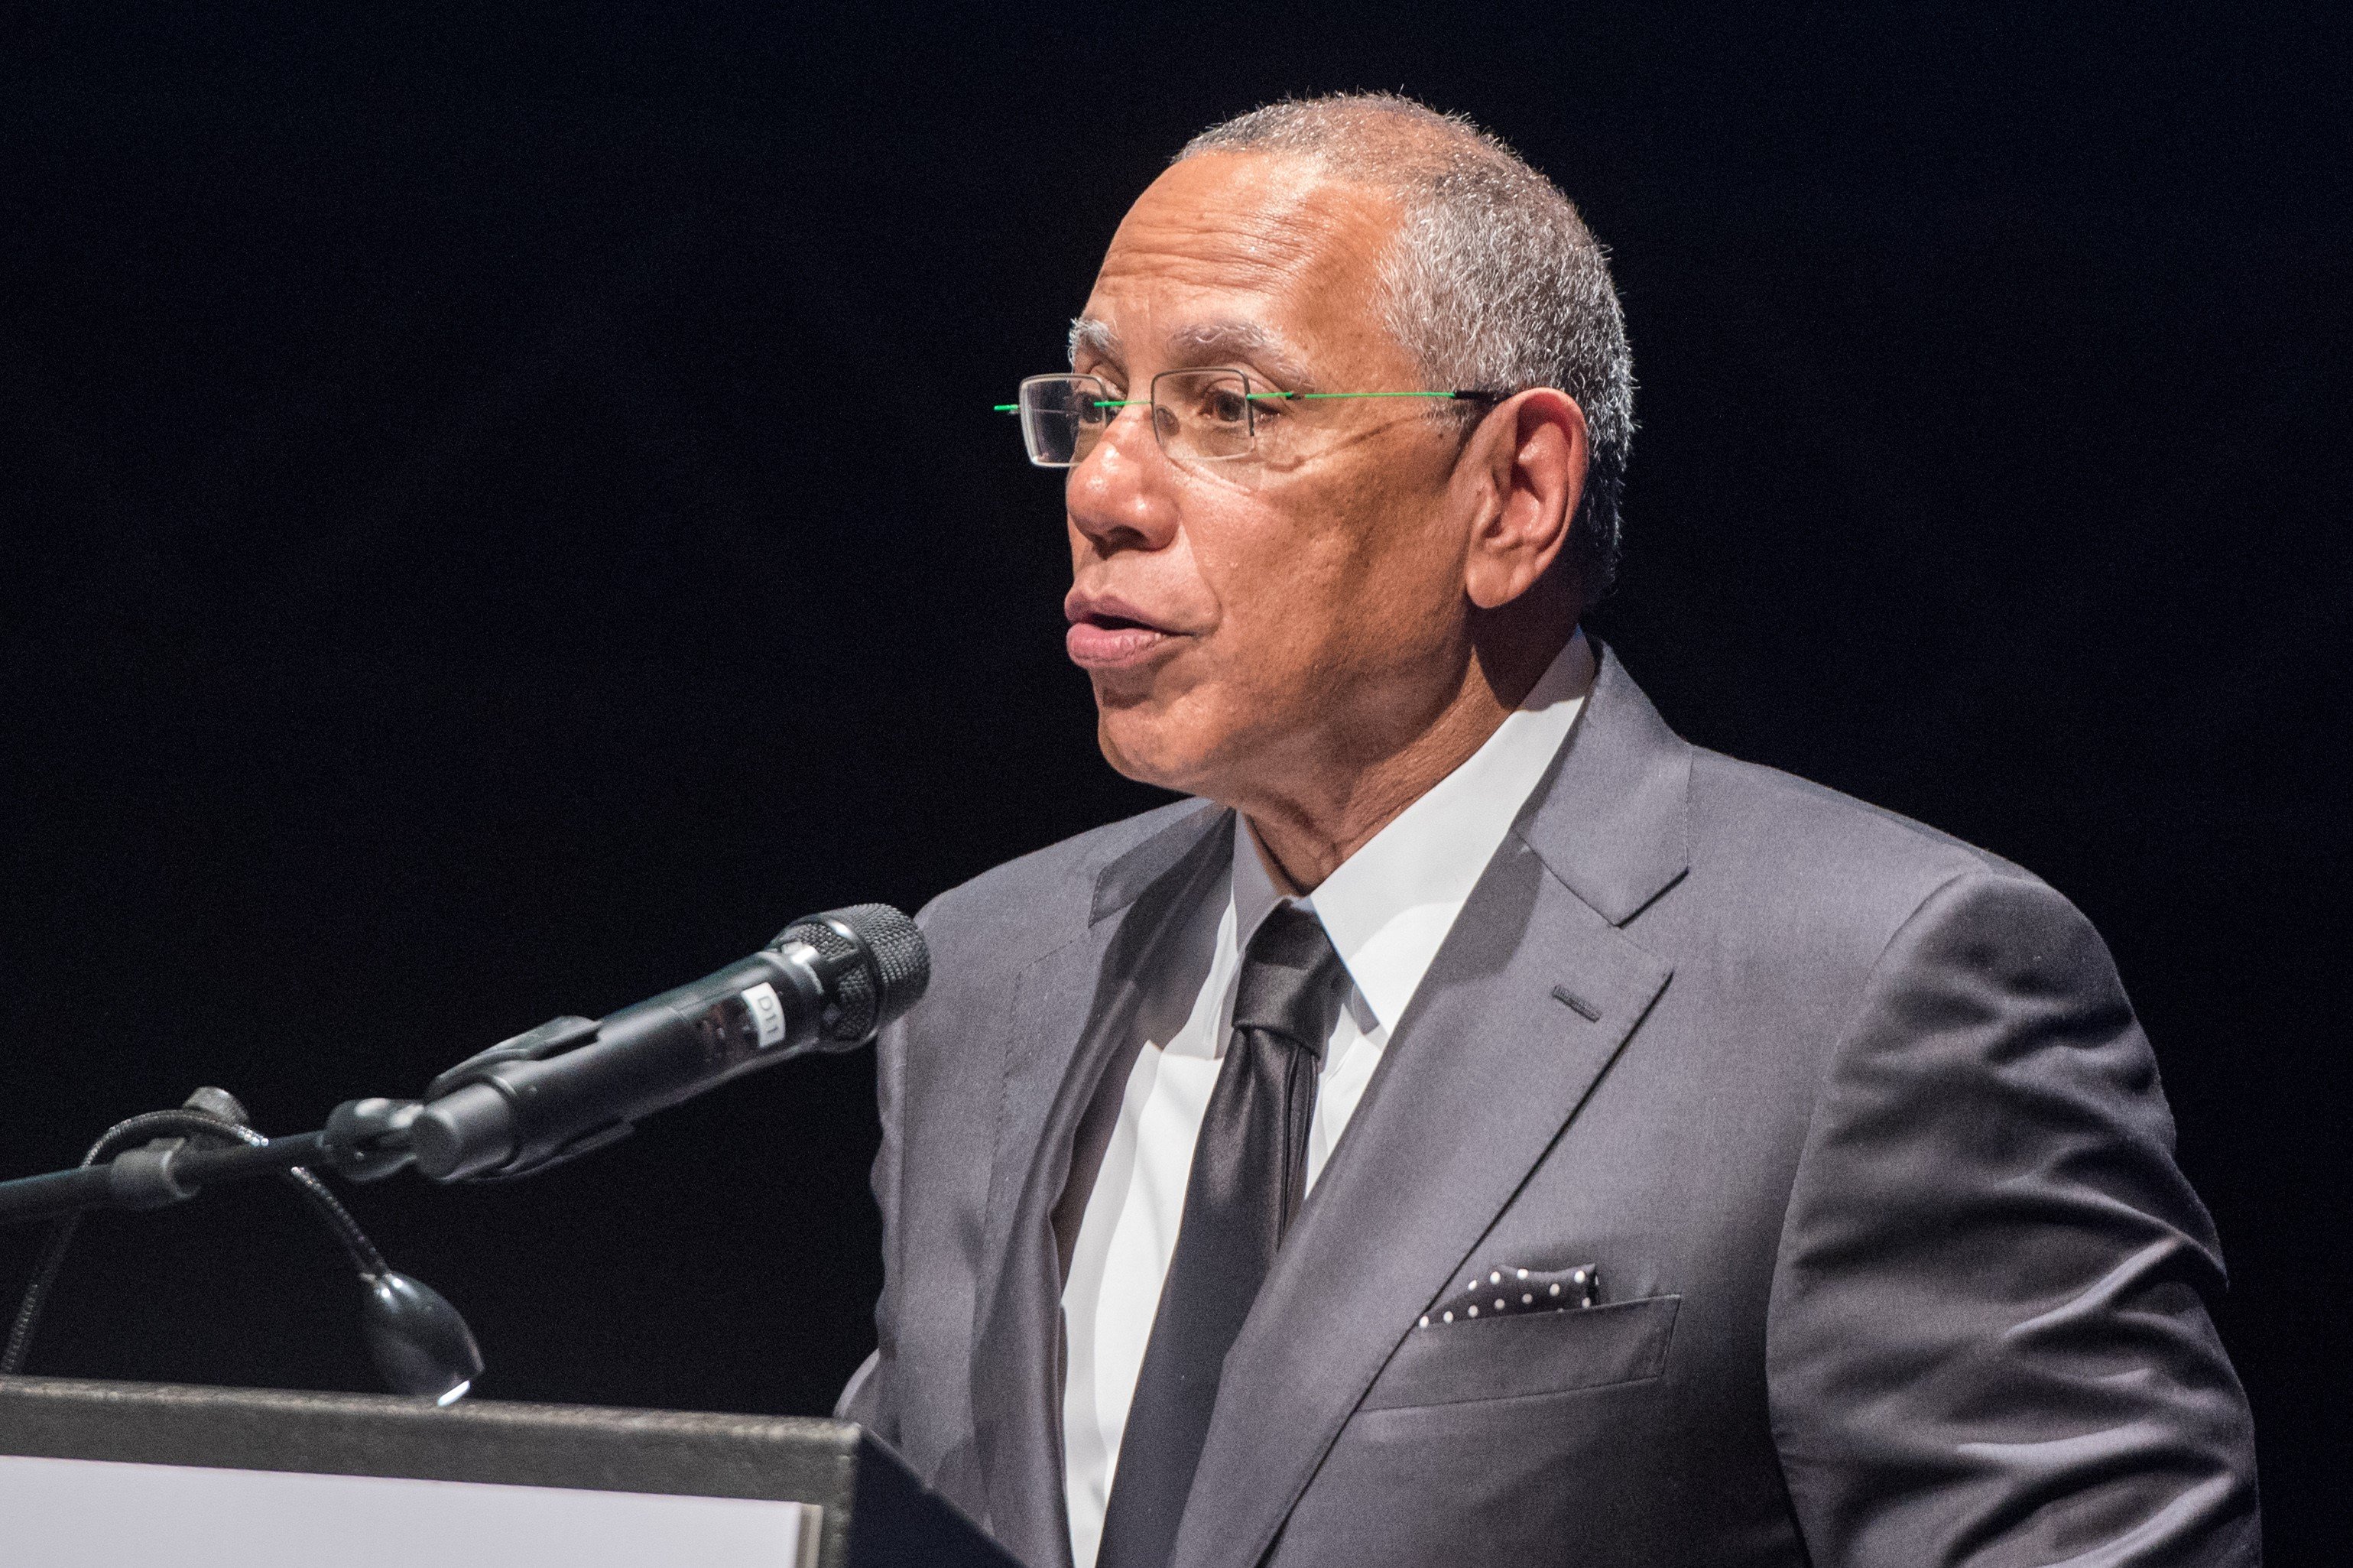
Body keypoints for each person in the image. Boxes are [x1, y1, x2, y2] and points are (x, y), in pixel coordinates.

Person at [837, 93, 2259, 1568]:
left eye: (1229, 409)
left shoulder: (1875, 988)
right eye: (1092, 398)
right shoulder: (981, 976)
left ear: (1515, 492)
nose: (1105, 487)